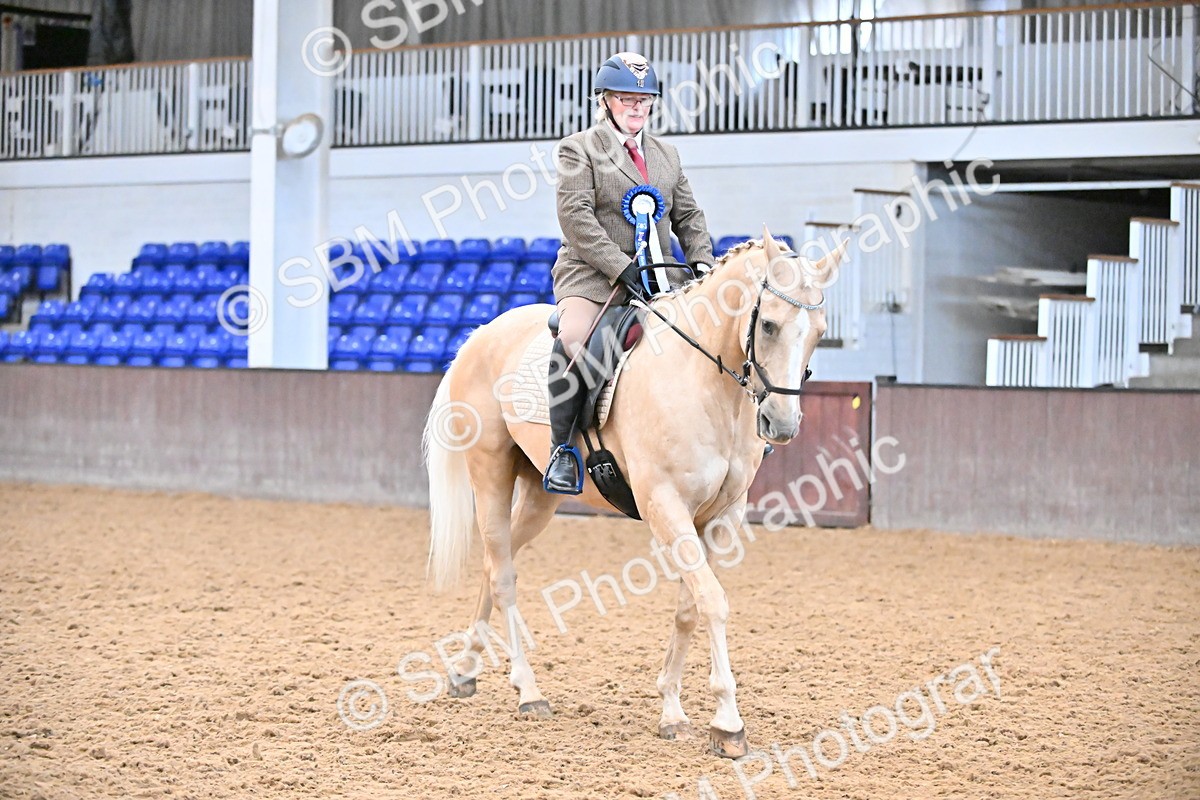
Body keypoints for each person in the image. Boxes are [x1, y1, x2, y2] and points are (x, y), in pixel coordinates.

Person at [544, 52, 716, 494]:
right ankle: (561, 450)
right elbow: (576, 219)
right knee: (576, 338)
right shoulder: (578, 149)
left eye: (644, 100)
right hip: (592, 276)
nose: (637, 108)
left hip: (659, 275)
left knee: (717, 337)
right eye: (626, 99)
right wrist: (622, 268)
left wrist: (702, 264)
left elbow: (689, 216)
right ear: (605, 101)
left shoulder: (667, 156)